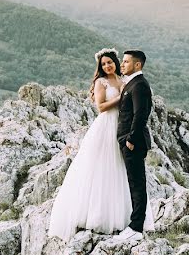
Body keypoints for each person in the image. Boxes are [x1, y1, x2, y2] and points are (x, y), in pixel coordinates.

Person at [47, 48, 133, 241]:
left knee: (119, 168)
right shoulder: (100, 82)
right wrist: (122, 98)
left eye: (109, 62)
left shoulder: (122, 80)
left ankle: (120, 214)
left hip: (122, 124)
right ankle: (95, 215)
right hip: (106, 125)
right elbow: (101, 107)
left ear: (116, 62)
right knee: (101, 166)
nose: (107, 66)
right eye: (103, 64)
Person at [117, 50, 154, 238]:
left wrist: (131, 139)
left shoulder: (139, 85)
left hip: (133, 142)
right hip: (127, 140)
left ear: (137, 65)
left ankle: (136, 227)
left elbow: (141, 114)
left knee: (137, 183)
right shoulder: (131, 83)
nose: (121, 65)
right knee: (133, 182)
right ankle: (135, 223)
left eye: (125, 62)